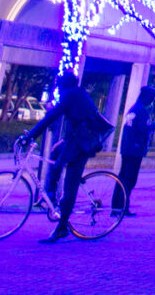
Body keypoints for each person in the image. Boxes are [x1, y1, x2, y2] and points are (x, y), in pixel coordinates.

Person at [22, 82, 111, 243]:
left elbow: (52, 116)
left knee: (70, 185)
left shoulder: (70, 95)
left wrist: (30, 136)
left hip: (82, 144)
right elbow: (77, 120)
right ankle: (50, 193)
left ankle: (62, 227)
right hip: (76, 139)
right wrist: (62, 140)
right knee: (55, 154)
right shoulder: (77, 93)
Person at [113, 93, 155, 214]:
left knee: (122, 175)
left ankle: (116, 205)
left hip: (127, 146)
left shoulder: (133, 108)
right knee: (130, 178)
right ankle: (123, 206)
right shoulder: (142, 111)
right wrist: (153, 126)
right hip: (136, 148)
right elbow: (143, 128)